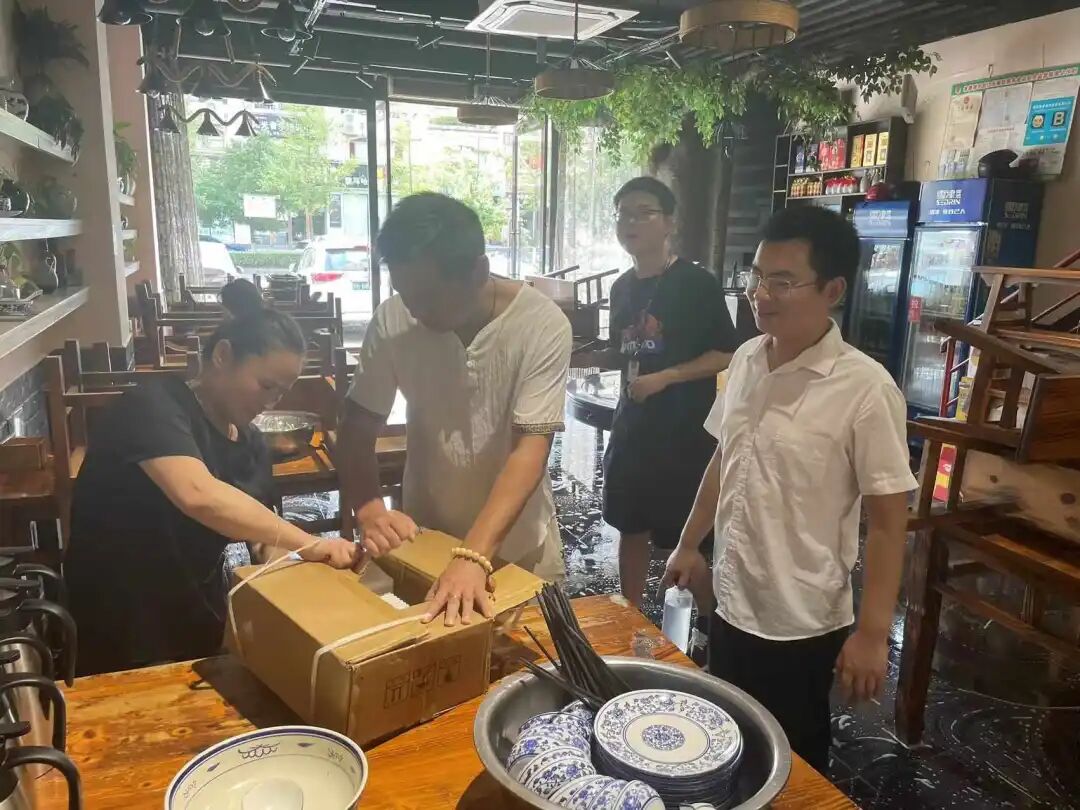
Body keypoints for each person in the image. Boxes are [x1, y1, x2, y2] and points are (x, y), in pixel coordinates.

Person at [662, 206, 916, 773]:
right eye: (757, 276)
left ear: (832, 290)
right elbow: (724, 458)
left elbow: (889, 522)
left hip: (800, 618)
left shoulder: (865, 390)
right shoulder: (748, 359)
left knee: (794, 761)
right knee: (728, 741)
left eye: (781, 281)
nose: (760, 293)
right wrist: (688, 543)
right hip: (732, 597)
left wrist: (873, 634)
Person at [66, 295, 361, 676]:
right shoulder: (153, 406)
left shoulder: (251, 442)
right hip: (120, 624)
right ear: (223, 356)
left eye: (281, 393)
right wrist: (312, 542)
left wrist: (309, 582)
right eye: (266, 385)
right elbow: (198, 495)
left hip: (195, 617)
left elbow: (263, 539)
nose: (271, 402)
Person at [338, 193, 572, 627]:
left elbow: (530, 450)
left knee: (526, 658)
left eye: (426, 296)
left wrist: (474, 556)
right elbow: (357, 426)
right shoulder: (393, 320)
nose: (413, 310)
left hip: (519, 549)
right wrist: (369, 509)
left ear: (478, 271)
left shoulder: (541, 325)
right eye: (403, 293)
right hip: (426, 542)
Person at [581, 177, 736, 614]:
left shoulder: (696, 283)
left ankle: (707, 625)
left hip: (683, 435)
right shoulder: (621, 288)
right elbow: (628, 352)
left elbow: (726, 352)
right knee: (630, 526)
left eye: (643, 213)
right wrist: (577, 357)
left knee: (685, 540)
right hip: (632, 428)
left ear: (669, 222)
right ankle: (629, 616)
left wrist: (667, 377)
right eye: (623, 214)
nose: (630, 222)